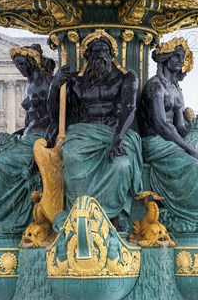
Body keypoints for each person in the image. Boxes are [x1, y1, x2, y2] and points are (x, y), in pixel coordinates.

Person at [52, 30, 143, 229]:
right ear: (87, 57)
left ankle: (112, 214)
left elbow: (130, 107)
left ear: (112, 55)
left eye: (104, 51)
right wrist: (55, 85)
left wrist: (118, 139)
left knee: (121, 164)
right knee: (71, 155)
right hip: (84, 132)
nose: (100, 56)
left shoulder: (127, 77)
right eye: (94, 52)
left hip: (116, 131)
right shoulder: (75, 81)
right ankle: (78, 211)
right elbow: (55, 113)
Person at [139, 38, 198, 233]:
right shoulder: (155, 86)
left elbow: (178, 127)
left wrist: (194, 129)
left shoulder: (176, 90)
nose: (181, 60)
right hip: (154, 143)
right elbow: (161, 124)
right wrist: (189, 148)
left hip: (171, 141)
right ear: (165, 58)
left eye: (183, 56)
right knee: (192, 164)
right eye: (177, 55)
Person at [0, 44, 55, 234]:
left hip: (41, 139)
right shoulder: (30, 86)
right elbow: (30, 122)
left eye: (23, 64)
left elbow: (57, 120)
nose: (20, 69)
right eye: (17, 65)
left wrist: (43, 148)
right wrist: (11, 138)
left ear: (33, 62)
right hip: (28, 137)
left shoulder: (48, 83)